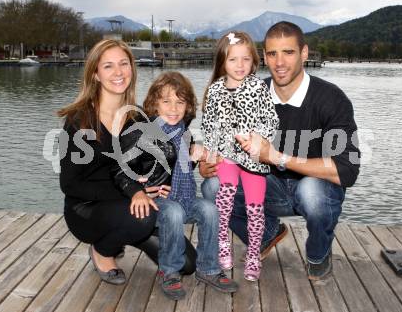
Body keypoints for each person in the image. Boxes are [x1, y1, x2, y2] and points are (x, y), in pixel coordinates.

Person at [200, 21, 360, 280]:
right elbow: (222, 139)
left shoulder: (332, 99)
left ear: (304, 53)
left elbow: (347, 171)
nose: (280, 62)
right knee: (212, 187)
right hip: (268, 185)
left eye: (289, 52)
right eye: (273, 54)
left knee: (312, 193)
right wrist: (209, 162)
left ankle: (318, 255)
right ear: (264, 57)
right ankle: (267, 234)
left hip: (313, 188)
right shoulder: (249, 92)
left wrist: (276, 157)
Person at [58, 39, 196, 286]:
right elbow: (70, 185)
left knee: (186, 264)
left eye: (124, 64)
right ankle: (103, 250)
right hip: (87, 209)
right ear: (96, 75)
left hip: (132, 205)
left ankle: (129, 232)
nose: (118, 72)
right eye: (108, 66)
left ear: (132, 69)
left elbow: (165, 159)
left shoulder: (137, 120)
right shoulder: (80, 121)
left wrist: (194, 157)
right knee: (143, 218)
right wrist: (133, 193)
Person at [113, 71, 238, 300]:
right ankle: (168, 271)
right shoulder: (141, 132)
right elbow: (120, 170)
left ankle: (208, 268)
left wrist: (194, 157)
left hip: (178, 196)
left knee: (209, 210)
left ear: (188, 106)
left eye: (180, 102)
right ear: (154, 104)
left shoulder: (184, 133)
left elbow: (178, 169)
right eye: (166, 101)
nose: (173, 108)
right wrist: (138, 191)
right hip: (151, 201)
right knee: (173, 212)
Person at [201, 31, 279, 281]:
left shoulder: (258, 87)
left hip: (253, 158)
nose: (240, 65)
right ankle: (223, 241)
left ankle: (254, 253)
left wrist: (259, 138)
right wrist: (211, 151)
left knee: (254, 208)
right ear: (223, 62)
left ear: (254, 62)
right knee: (224, 196)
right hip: (226, 156)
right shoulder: (214, 91)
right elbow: (209, 124)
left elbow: (271, 119)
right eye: (233, 59)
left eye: (246, 59)